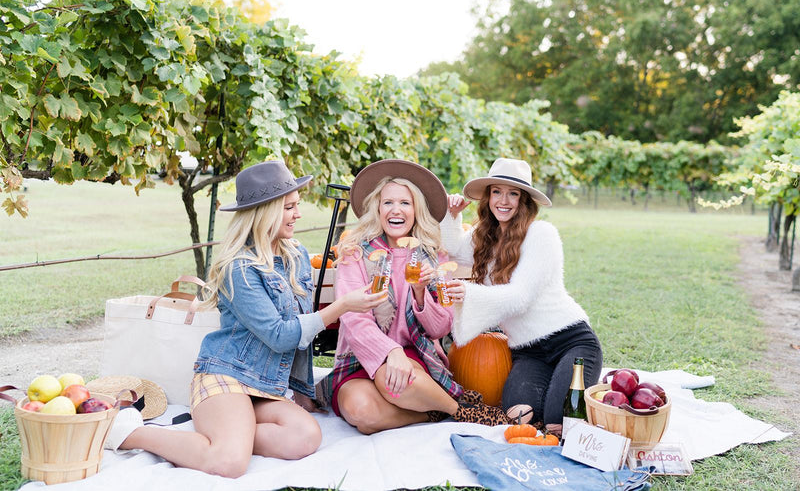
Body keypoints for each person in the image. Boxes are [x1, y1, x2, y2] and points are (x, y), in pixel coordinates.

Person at [103, 160, 387, 477]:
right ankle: (130, 433)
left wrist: (301, 391)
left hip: (266, 387)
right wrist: (343, 305)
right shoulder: (239, 268)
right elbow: (281, 335)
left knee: (305, 436)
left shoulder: (297, 255)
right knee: (229, 463)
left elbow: (304, 326)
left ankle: (228, 432)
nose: (299, 214)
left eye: (297, 205)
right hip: (228, 376)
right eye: (289, 207)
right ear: (264, 212)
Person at [328, 159, 509, 434]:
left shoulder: (433, 256)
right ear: (377, 208)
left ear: (416, 211)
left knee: (392, 379)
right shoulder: (355, 253)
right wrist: (391, 351)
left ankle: (461, 411)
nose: (396, 210)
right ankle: (433, 412)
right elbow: (354, 321)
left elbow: (441, 327)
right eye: (388, 202)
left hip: (414, 355)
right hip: (360, 354)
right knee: (361, 414)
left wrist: (421, 292)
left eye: (405, 203)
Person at [444, 158, 603, 434]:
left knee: (557, 422)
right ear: (488, 197)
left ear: (525, 200)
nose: (503, 201)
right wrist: (452, 214)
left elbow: (520, 297)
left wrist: (468, 293)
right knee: (519, 416)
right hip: (528, 353)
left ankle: (581, 388)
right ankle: (561, 386)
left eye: (513, 193)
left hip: (571, 342)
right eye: (497, 192)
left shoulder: (542, 234)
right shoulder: (485, 238)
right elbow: (453, 248)